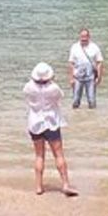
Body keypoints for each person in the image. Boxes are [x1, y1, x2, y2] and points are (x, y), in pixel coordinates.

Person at [23, 62, 77, 197]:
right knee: (58, 154)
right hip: (51, 121)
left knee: (39, 155)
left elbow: (27, 97)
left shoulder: (29, 87)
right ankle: (65, 183)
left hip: (35, 122)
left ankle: (38, 186)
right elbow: (60, 98)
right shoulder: (53, 88)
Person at [68, 28, 104, 109]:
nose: (84, 38)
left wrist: (99, 77)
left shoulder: (94, 47)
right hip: (77, 77)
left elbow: (99, 62)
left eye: (85, 36)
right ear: (79, 37)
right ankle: (75, 117)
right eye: (82, 36)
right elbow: (71, 63)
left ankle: (93, 118)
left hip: (91, 77)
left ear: (89, 37)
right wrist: (71, 78)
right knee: (75, 101)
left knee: (92, 101)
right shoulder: (74, 47)